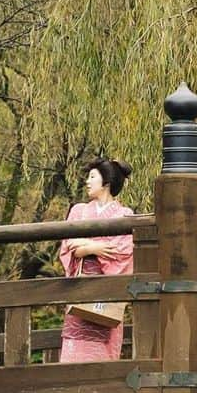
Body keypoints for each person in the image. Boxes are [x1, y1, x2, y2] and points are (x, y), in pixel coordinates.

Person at [57, 158, 135, 369]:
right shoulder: (78, 211)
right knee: (75, 343)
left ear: (107, 182)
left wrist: (86, 246)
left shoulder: (124, 215)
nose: (87, 181)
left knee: (103, 349)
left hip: (105, 290)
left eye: (92, 177)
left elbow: (122, 251)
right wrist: (94, 248)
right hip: (81, 287)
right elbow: (70, 245)